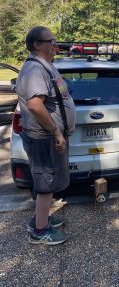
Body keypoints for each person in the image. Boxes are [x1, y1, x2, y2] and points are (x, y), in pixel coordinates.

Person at [16, 26, 76, 245]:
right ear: (36, 45)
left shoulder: (45, 66)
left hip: (49, 137)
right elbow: (34, 105)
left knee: (47, 181)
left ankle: (39, 219)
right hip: (43, 137)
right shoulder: (35, 70)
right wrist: (55, 131)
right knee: (45, 182)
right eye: (50, 41)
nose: (55, 44)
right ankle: (40, 231)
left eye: (54, 40)